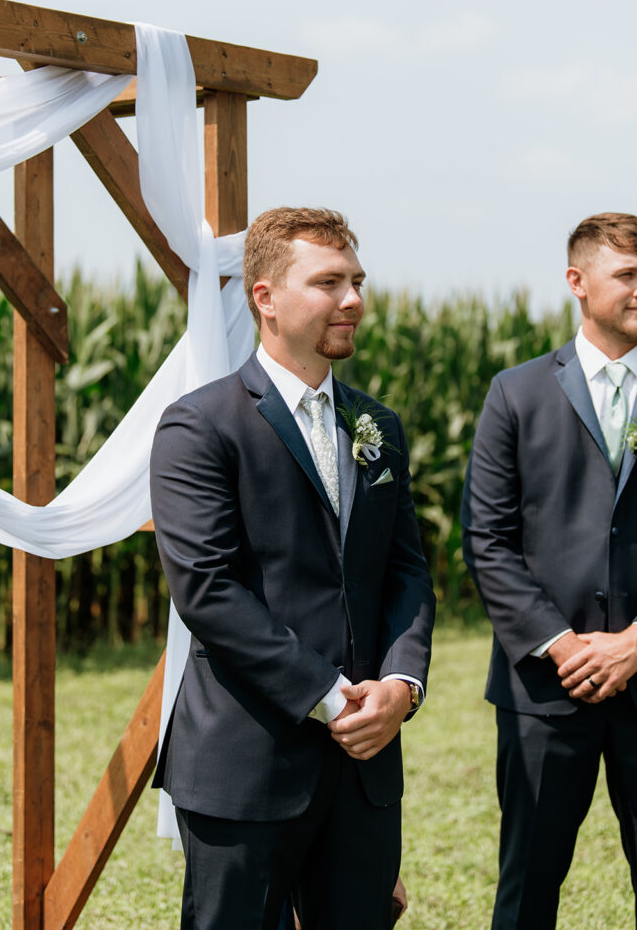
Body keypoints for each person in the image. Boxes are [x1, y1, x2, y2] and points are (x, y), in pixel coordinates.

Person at [151, 206, 435, 930]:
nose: (353, 301)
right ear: (266, 297)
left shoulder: (378, 429)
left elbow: (405, 573)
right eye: (329, 282)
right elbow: (209, 592)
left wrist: (401, 686)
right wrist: (334, 700)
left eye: (357, 281)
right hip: (248, 762)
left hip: (365, 766)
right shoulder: (200, 425)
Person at [462, 211, 637, 929]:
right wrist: (563, 646)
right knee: (527, 887)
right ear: (578, 282)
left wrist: (633, 645)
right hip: (543, 688)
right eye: (628, 274)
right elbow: (487, 540)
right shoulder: (517, 391)